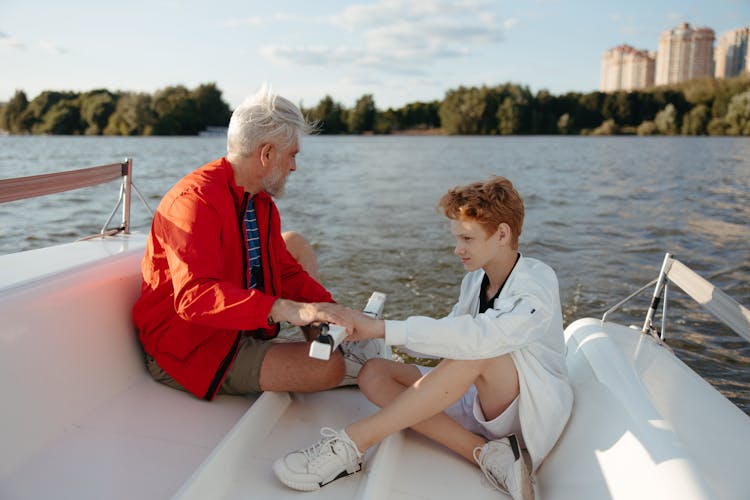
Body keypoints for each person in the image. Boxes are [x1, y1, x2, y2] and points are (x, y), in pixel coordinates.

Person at [273, 176, 574, 499]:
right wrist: (366, 332)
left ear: (502, 234)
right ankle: (484, 453)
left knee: (481, 350)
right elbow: (450, 332)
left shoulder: (537, 282)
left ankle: (353, 443)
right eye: (456, 237)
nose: (457, 249)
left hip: (525, 411)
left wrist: (383, 327)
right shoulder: (476, 281)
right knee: (373, 373)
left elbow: (482, 338)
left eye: (467, 238)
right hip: (477, 395)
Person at [133, 86, 378, 401]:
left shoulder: (259, 201)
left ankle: (337, 341)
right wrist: (285, 309)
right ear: (267, 154)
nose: (293, 167)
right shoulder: (194, 202)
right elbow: (194, 297)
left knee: (295, 245)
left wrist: (332, 309)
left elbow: (286, 272)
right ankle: (336, 356)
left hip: (236, 326)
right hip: (191, 348)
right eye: (292, 155)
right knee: (327, 369)